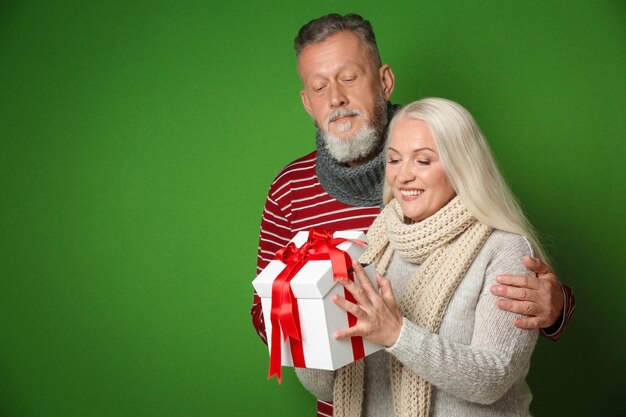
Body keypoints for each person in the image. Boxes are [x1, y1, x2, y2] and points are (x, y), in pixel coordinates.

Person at [251, 13, 575, 416]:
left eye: (349, 78)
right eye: (320, 86)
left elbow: (504, 336)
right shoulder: (292, 191)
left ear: (384, 81)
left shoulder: (444, 147)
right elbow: (267, 306)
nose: (335, 98)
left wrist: (557, 307)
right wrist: (306, 318)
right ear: (307, 101)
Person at [296, 97, 543, 417]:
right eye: (395, 160)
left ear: (461, 166)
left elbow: (493, 379)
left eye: (423, 161)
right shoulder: (375, 242)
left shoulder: (505, 250)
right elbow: (333, 386)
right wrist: (307, 332)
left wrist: (397, 334)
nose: (403, 176)